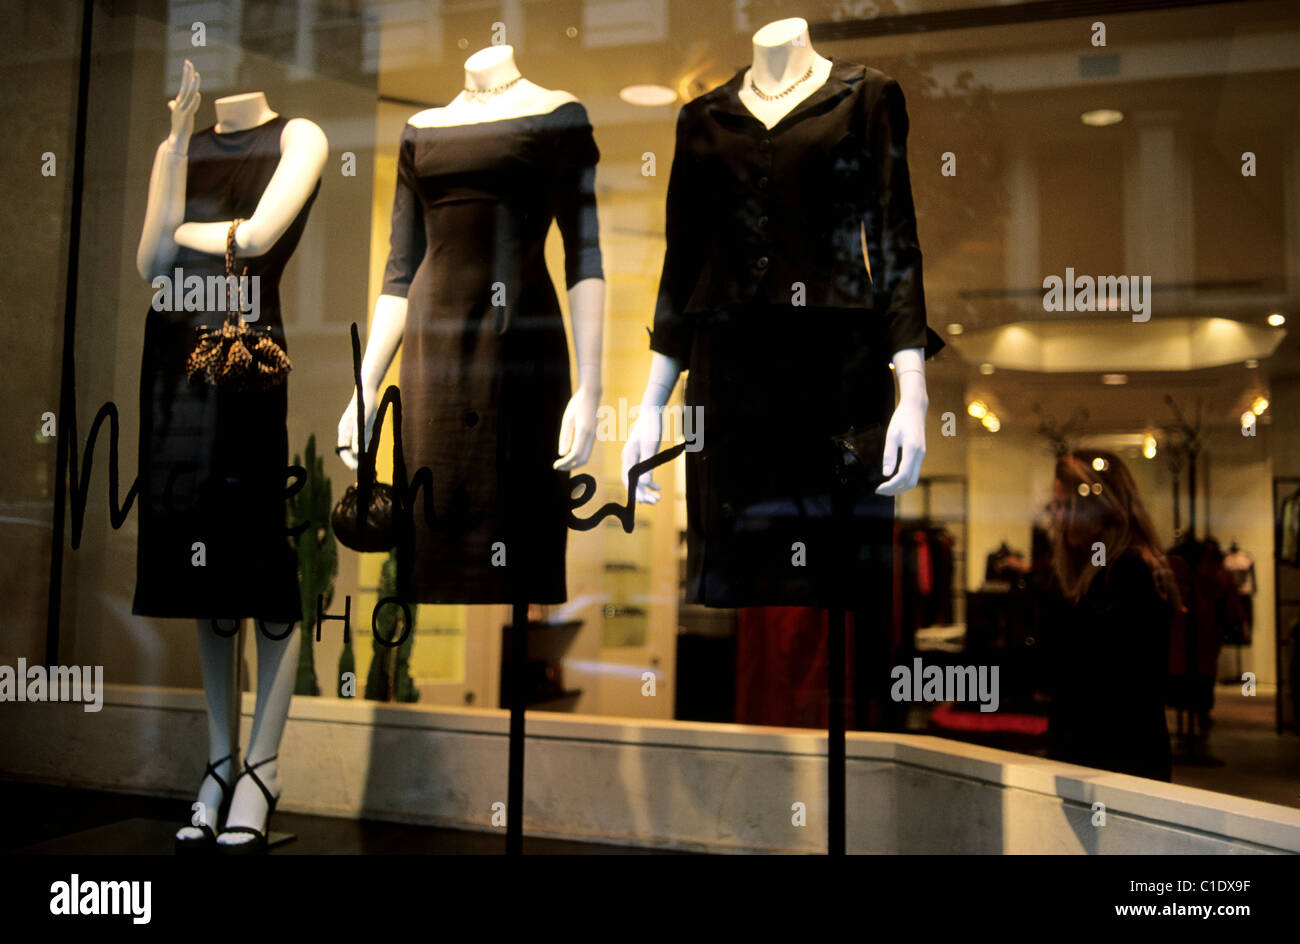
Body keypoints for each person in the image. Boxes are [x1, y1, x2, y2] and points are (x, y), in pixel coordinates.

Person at [1042, 449, 1181, 781]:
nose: (1061, 520)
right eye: (1057, 507)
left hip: (1114, 764)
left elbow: (1115, 690)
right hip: (1103, 761)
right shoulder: (1099, 569)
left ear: (1104, 508)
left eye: (1071, 507)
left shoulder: (1127, 571)